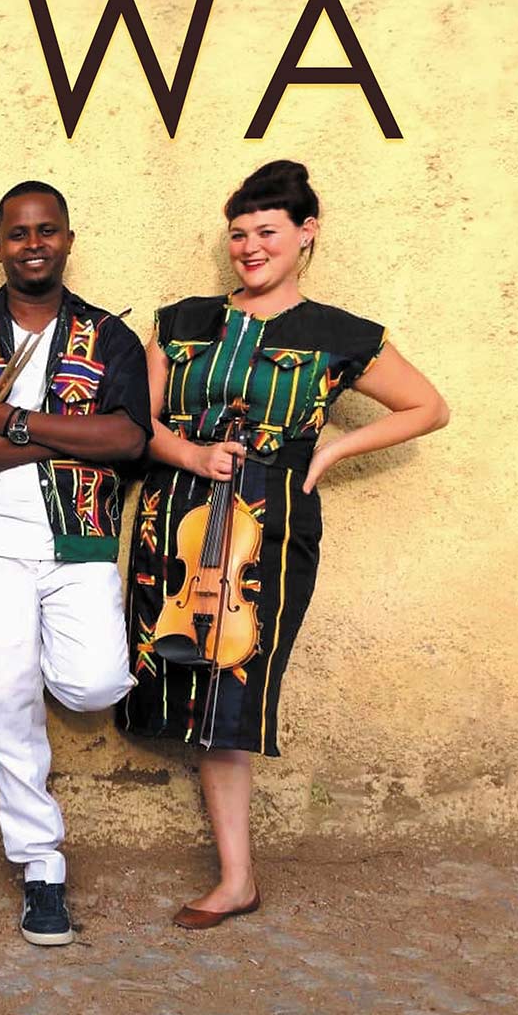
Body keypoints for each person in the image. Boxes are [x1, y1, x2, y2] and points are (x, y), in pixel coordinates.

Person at [118, 161, 449, 928]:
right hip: (175, 513)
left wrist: (331, 452)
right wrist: (192, 456)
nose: (249, 248)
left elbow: (428, 407)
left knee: (233, 686)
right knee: (181, 679)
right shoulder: (179, 321)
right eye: (238, 235)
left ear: (306, 234)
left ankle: (237, 880)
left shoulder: (344, 335)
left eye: (267, 232)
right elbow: (143, 425)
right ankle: (238, 878)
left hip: (270, 525)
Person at [0, 181, 149, 946]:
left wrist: (16, 424)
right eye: (18, 233)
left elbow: (128, 440)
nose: (32, 244)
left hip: (79, 540)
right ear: (0, 247)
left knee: (94, 683)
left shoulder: (108, 336)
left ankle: (41, 662)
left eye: (45, 230)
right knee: (4, 699)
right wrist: (69, 433)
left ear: (66, 239)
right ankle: (41, 864)